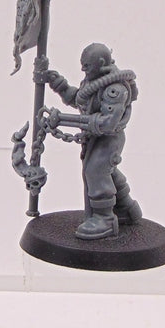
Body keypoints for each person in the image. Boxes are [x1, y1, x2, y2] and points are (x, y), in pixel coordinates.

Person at [39, 42, 142, 239]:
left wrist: (63, 119)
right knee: (105, 171)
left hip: (109, 139)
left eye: (86, 65)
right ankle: (126, 208)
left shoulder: (115, 89)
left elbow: (107, 123)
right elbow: (80, 100)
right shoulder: (93, 81)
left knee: (96, 171)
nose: (83, 69)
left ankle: (105, 219)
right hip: (95, 138)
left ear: (101, 63)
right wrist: (59, 84)